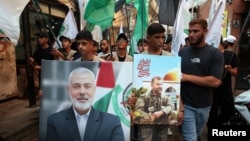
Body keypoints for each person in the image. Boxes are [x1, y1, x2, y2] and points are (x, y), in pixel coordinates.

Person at [129, 23, 183, 141]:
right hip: (145, 121)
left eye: (163, 37)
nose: (161, 40)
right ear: (148, 38)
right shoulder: (139, 59)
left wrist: (180, 109)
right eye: (157, 37)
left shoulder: (170, 58)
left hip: (163, 120)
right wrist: (132, 109)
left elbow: (177, 87)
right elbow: (132, 85)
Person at [46, 67, 125, 141]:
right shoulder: (55, 121)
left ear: (94, 89)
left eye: (87, 86)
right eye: (76, 86)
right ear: (68, 90)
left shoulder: (112, 122)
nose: (82, 92)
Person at [178, 18, 224, 141]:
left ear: (205, 31)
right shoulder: (182, 53)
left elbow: (215, 81)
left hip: (205, 106)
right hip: (186, 105)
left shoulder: (215, 54)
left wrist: (187, 77)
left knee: (196, 136)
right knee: (190, 138)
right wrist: (180, 106)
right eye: (190, 31)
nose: (191, 34)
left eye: (196, 31)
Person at [207, 39, 238, 131]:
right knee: (212, 112)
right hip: (212, 90)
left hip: (225, 89)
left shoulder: (230, 55)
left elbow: (236, 73)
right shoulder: (210, 55)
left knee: (229, 110)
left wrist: (230, 70)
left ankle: (214, 125)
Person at [134, 76, 175, 141]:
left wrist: (162, 112)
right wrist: (151, 116)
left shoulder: (166, 97)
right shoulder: (144, 97)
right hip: (147, 126)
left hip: (161, 126)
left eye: (161, 84)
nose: (160, 86)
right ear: (152, 85)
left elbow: (171, 106)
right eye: (158, 84)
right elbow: (138, 110)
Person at [29, 31, 54, 96]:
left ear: (46, 39)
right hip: (42, 77)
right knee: (43, 96)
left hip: (53, 77)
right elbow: (35, 65)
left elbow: (55, 66)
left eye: (41, 37)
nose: (39, 39)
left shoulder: (53, 51)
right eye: (38, 38)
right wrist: (33, 62)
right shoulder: (37, 52)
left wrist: (42, 67)